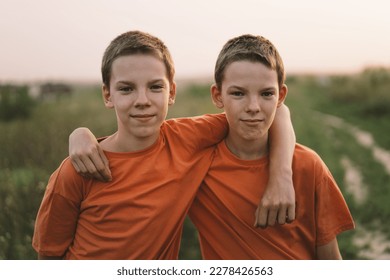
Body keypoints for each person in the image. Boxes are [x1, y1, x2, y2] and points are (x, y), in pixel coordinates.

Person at [33, 30, 295, 260]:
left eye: (155, 87)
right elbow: (48, 258)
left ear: (171, 93)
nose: (143, 100)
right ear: (107, 94)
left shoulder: (188, 138)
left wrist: (281, 177)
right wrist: (78, 134)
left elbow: (276, 112)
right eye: (126, 89)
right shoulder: (78, 170)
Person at [188, 34, 355, 259]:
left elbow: (330, 260)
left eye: (266, 94)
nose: (253, 107)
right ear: (217, 96)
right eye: (238, 93)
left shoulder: (308, 166)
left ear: (280, 96)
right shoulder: (197, 166)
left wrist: (282, 174)